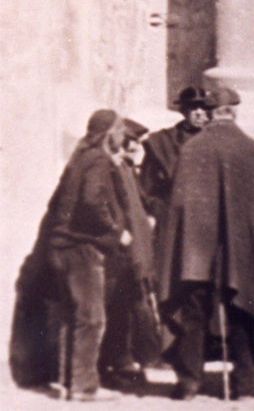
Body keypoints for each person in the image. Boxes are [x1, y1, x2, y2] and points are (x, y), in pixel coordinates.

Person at [157, 86, 254, 401]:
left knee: (193, 313)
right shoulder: (251, 149)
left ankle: (189, 382)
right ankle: (245, 382)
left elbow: (180, 204)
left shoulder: (192, 148)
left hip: (196, 250)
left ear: (211, 111)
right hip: (241, 250)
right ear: (233, 111)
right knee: (244, 309)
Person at [46, 109, 132, 402]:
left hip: (62, 247)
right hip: (82, 249)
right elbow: (92, 200)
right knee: (92, 318)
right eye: (120, 129)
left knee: (74, 317)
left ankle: (67, 383)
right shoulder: (98, 161)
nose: (124, 135)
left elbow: (57, 202)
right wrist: (116, 230)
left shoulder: (78, 159)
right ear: (109, 133)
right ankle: (84, 387)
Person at [99, 119, 160, 390]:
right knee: (118, 309)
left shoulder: (125, 168)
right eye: (132, 141)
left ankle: (127, 361)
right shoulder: (111, 168)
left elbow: (140, 201)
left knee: (131, 308)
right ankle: (115, 365)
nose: (136, 147)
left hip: (136, 252)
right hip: (123, 253)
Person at [138, 86, 209, 243]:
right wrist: (162, 212)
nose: (198, 112)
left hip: (208, 222)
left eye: (203, 107)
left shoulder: (216, 140)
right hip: (173, 223)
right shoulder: (163, 142)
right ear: (183, 111)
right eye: (192, 107)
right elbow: (146, 189)